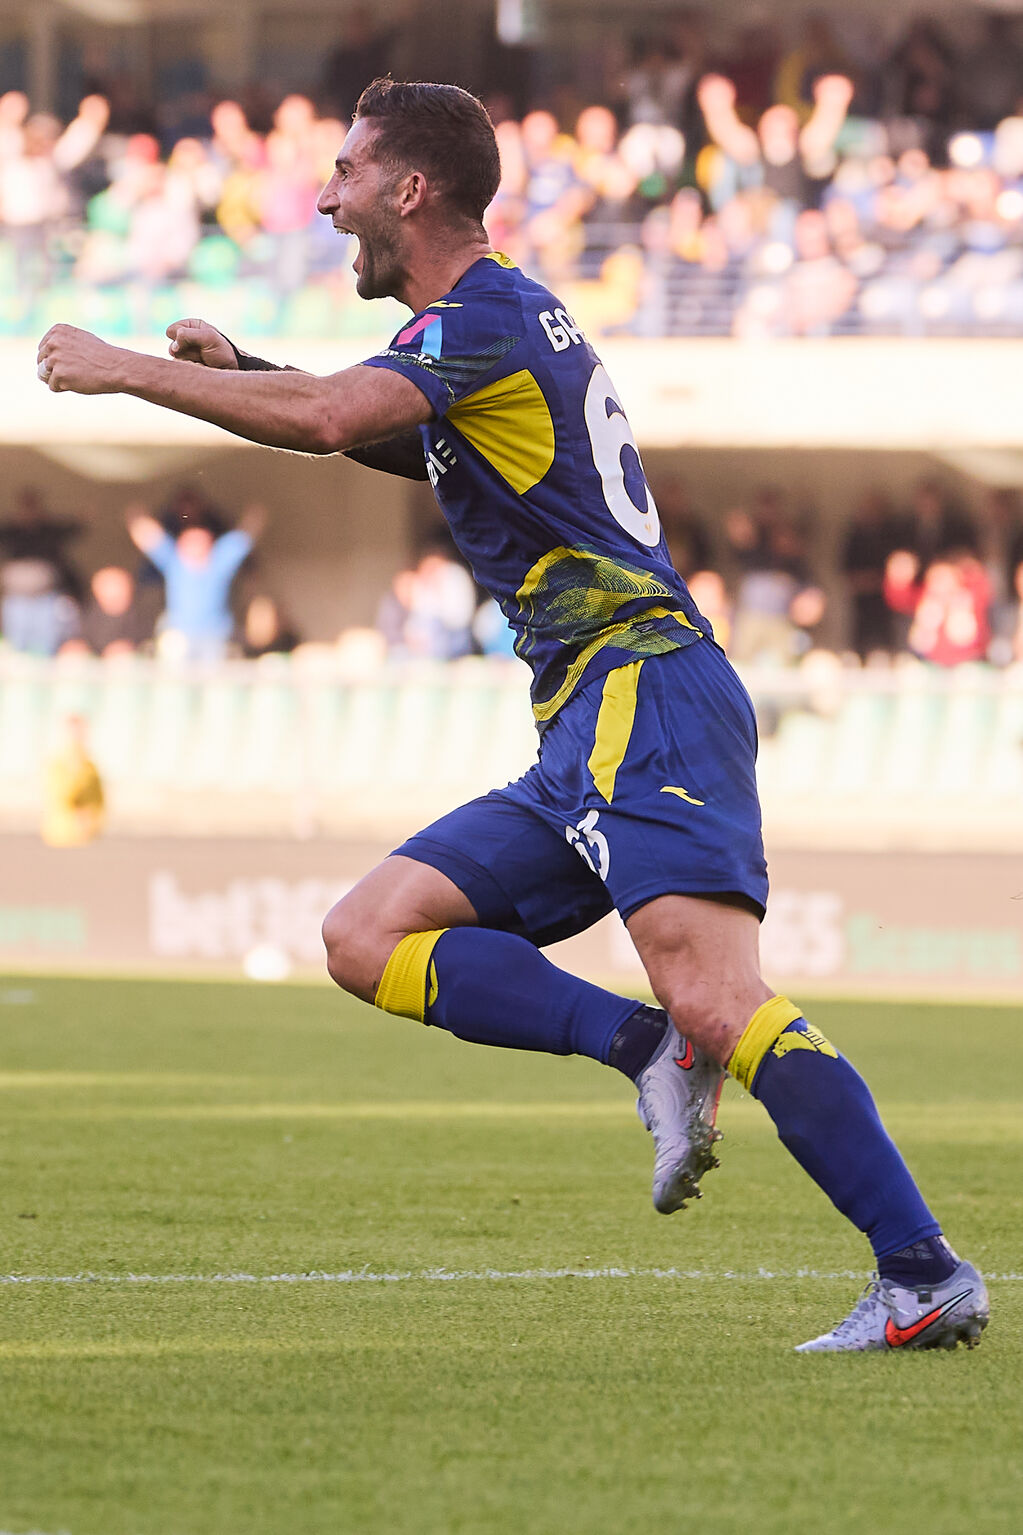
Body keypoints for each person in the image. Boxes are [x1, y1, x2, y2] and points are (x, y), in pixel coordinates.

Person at [36, 78, 988, 1353]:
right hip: (586, 716)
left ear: (410, 189)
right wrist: (250, 372)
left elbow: (332, 419)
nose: (324, 199)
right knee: (368, 935)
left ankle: (921, 1271)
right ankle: (645, 1044)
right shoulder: (496, 323)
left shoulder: (480, 313)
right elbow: (384, 434)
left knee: (722, 994)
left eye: (348, 173)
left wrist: (127, 372)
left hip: (642, 689)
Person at [126, 503, 264, 661]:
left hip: (215, 634)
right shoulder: (174, 561)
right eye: (190, 542)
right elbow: (149, 537)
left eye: (200, 542)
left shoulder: (219, 561)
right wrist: (135, 515)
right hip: (178, 632)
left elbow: (243, 539)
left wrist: (256, 514)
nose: (195, 547)